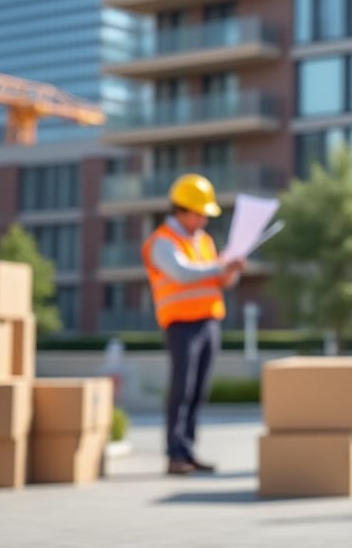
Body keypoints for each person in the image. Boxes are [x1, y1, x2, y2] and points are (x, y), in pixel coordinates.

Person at [141, 173, 245, 476]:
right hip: (181, 325)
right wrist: (220, 266)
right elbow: (182, 273)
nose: (204, 220)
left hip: (209, 321)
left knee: (199, 391)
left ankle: (188, 450)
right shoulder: (161, 241)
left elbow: (221, 281)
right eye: (200, 214)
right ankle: (175, 454)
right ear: (182, 210)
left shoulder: (204, 241)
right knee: (182, 390)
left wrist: (232, 269)